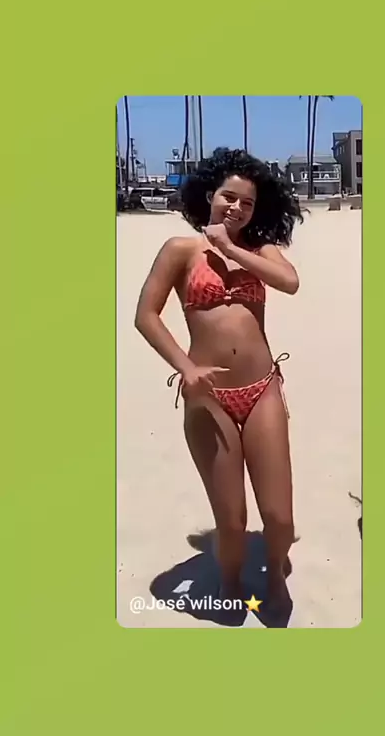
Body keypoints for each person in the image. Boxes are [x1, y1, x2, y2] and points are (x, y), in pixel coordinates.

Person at [134, 147, 303, 607]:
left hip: (262, 388)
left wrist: (230, 248)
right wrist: (185, 367)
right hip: (208, 397)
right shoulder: (180, 250)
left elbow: (289, 282)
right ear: (210, 195)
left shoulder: (259, 249)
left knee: (279, 518)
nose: (237, 208)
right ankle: (230, 583)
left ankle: (275, 574)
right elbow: (146, 315)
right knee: (231, 522)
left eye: (247, 203)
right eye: (229, 197)